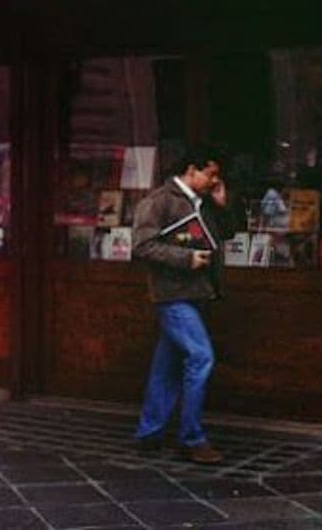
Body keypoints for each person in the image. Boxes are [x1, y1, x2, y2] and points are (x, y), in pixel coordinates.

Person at [130, 144, 228, 465]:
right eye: (210, 174)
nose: (214, 180)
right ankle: (191, 438)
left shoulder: (200, 202)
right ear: (191, 170)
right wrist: (187, 259)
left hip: (194, 293)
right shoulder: (158, 202)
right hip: (173, 295)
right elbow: (143, 246)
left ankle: (149, 432)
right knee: (201, 358)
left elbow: (225, 234)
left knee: (167, 365)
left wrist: (221, 203)